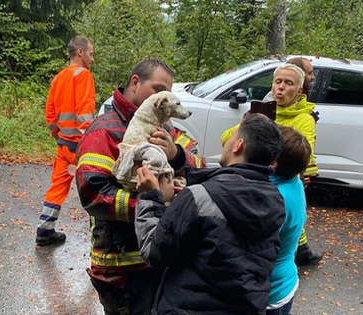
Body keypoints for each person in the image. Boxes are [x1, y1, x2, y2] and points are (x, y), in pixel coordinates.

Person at [75, 58, 206, 314]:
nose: (163, 98)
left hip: (162, 260)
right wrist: (152, 200)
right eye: (158, 89)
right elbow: (93, 194)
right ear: (135, 82)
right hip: (125, 268)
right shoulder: (103, 132)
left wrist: (176, 154)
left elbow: (199, 167)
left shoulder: (165, 127)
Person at [134, 113, 285, 314]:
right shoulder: (275, 199)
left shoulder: (198, 198)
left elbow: (154, 252)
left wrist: (150, 197)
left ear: (238, 145)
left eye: (231, 137)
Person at [221, 61, 322, 266]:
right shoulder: (262, 112)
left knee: (286, 219)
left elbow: (303, 149)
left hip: (285, 177)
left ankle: (294, 252)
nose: (281, 87)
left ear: (299, 90)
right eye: (278, 82)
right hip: (257, 177)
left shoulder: (304, 118)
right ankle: (298, 250)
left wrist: (264, 136)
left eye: (288, 83)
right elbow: (226, 141)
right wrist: (246, 124)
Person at [36, 36, 96, 246]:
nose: (92, 58)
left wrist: (59, 137)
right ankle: (100, 235)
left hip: (63, 146)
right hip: (81, 147)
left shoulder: (58, 78)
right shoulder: (83, 75)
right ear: (80, 52)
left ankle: (44, 230)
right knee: (95, 187)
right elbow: (84, 114)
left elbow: (50, 115)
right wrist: (91, 142)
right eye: (91, 53)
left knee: (57, 187)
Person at [267, 126, 312, 315]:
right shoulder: (295, 182)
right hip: (286, 281)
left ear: (274, 162)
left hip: (270, 291)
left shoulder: (276, 199)